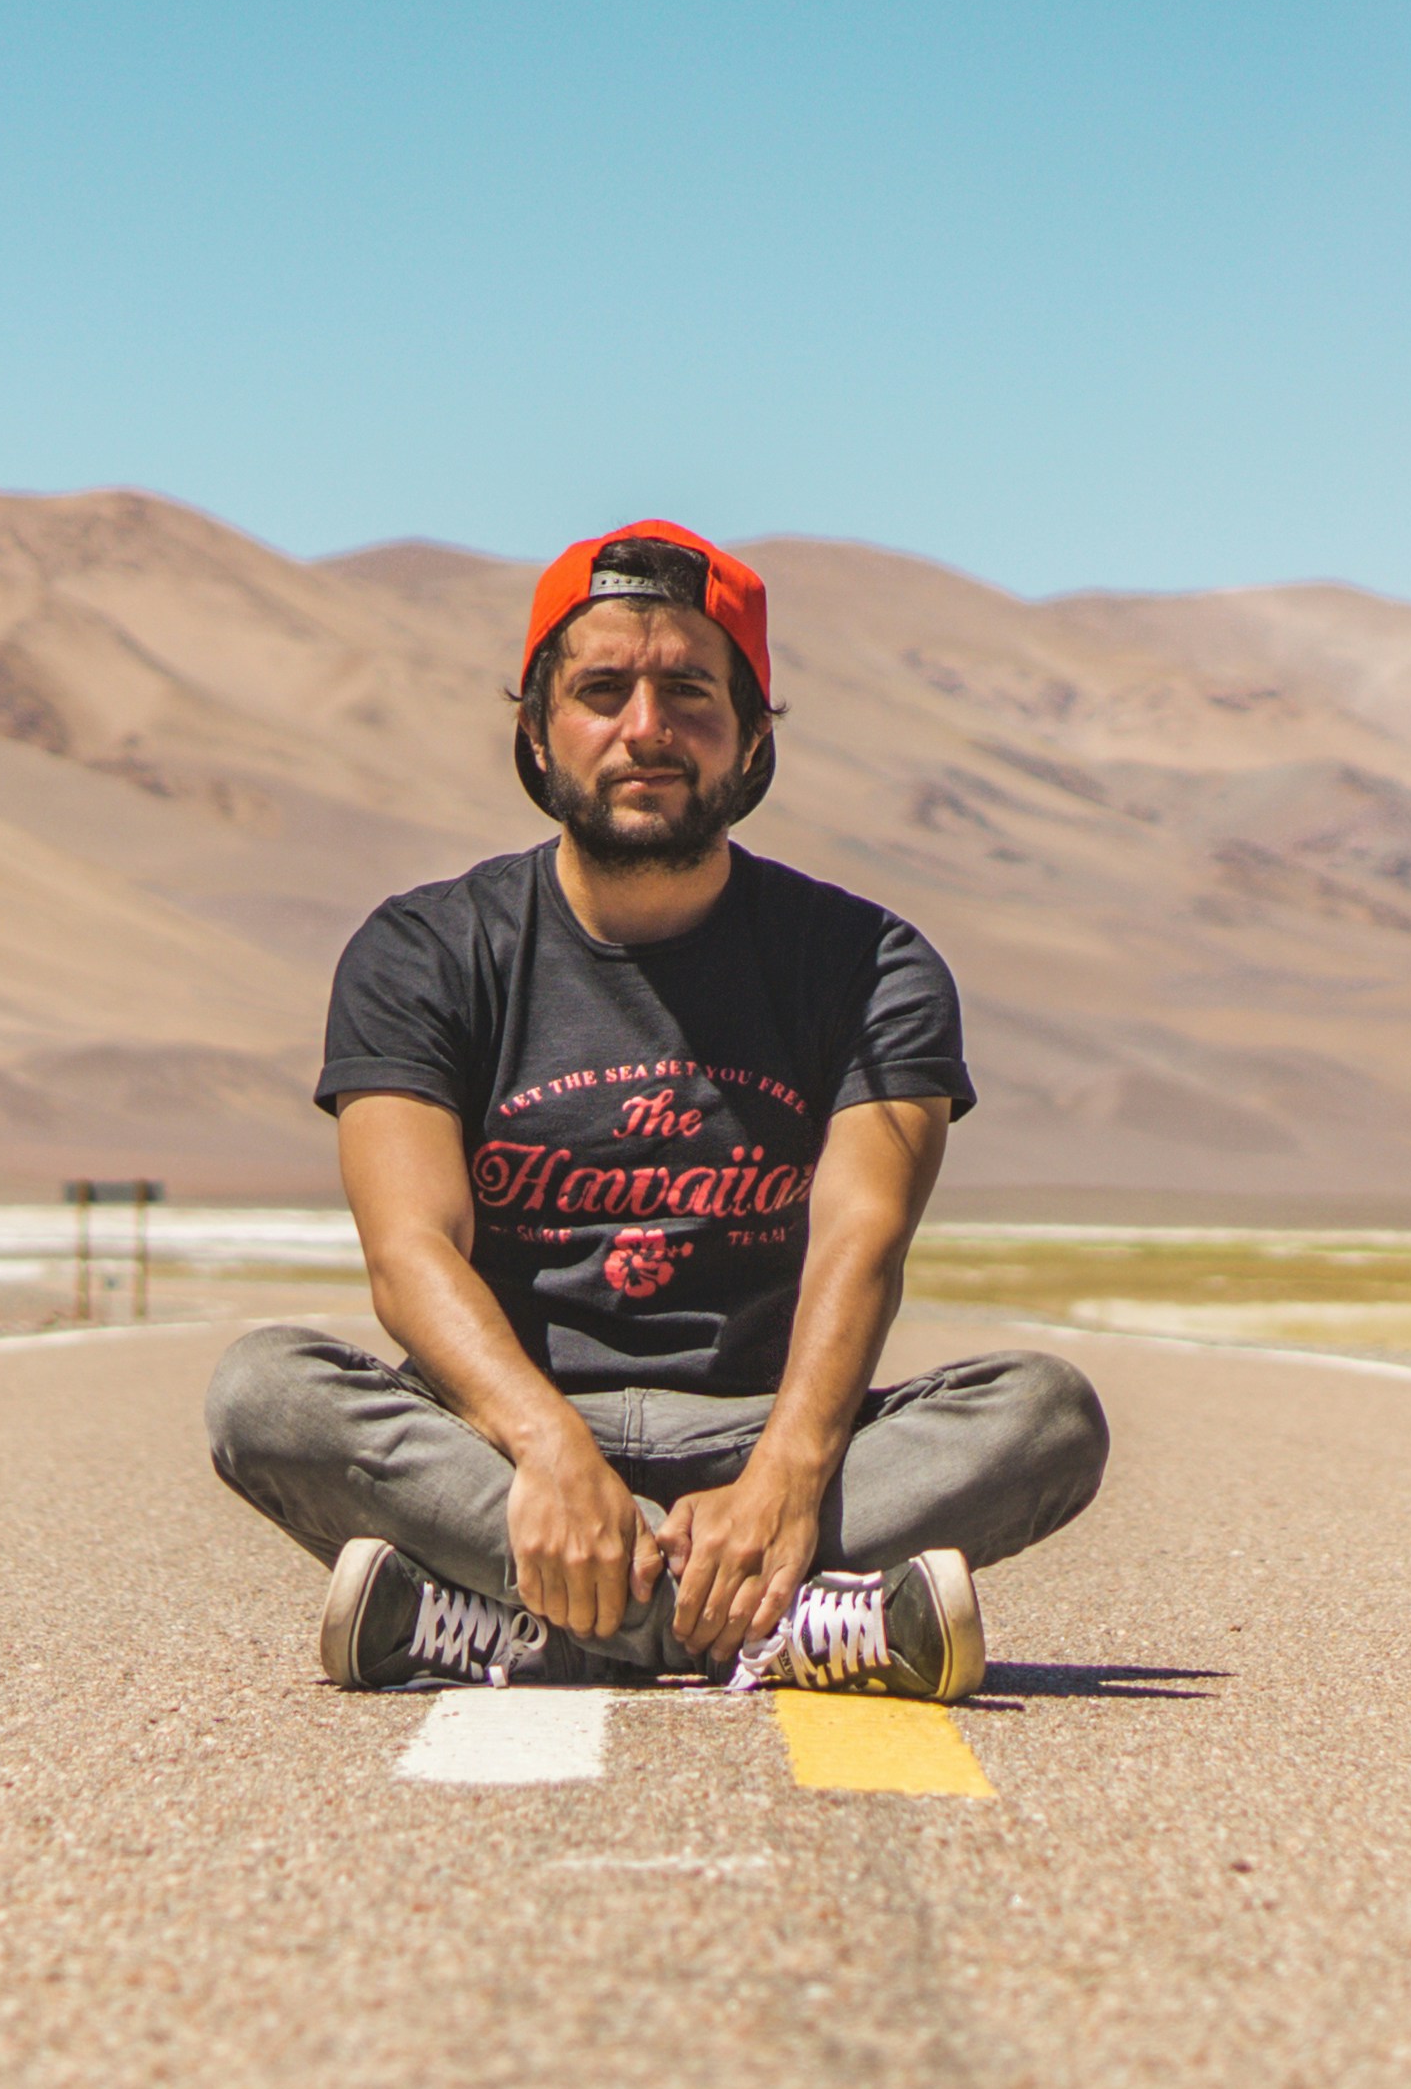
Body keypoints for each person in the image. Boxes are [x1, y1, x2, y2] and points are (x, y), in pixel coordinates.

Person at [206, 521, 1108, 1698]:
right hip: (502, 1444)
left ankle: (513, 1628)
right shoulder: (424, 950)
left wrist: (784, 1479)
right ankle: (780, 1627)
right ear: (536, 730)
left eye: (690, 690)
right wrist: (548, 1449)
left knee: (1047, 1416)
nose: (646, 728)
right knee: (265, 1394)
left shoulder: (869, 966)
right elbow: (409, 1253)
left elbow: (862, 1239)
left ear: (752, 735)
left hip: (759, 1430)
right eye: (602, 691)